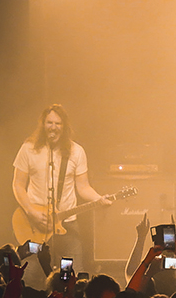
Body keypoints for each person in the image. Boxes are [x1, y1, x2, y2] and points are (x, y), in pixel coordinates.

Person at [12, 104, 111, 272]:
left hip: (67, 224)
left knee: (73, 274)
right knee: (32, 274)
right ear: (43, 124)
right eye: (49, 123)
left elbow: (83, 187)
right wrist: (31, 211)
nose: (53, 127)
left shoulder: (76, 151)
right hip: (36, 224)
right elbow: (18, 185)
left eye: (58, 124)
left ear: (64, 126)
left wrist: (98, 198)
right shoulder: (28, 149)